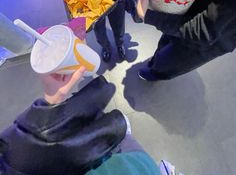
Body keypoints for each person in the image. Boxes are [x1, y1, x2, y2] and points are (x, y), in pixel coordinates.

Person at [0, 67, 163, 175]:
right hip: (131, 163)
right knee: (120, 133)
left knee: (119, 131)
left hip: (124, 161)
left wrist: (30, 140)